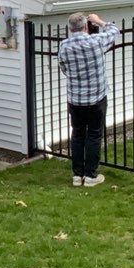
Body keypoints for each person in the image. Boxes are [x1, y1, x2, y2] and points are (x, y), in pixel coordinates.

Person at [57, 10, 120, 187]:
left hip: (75, 99)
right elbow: (114, 31)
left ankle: (77, 175)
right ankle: (91, 176)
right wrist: (99, 21)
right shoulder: (95, 41)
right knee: (94, 134)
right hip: (96, 98)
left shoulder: (64, 46)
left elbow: (63, 67)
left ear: (70, 29)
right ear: (86, 26)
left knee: (77, 135)